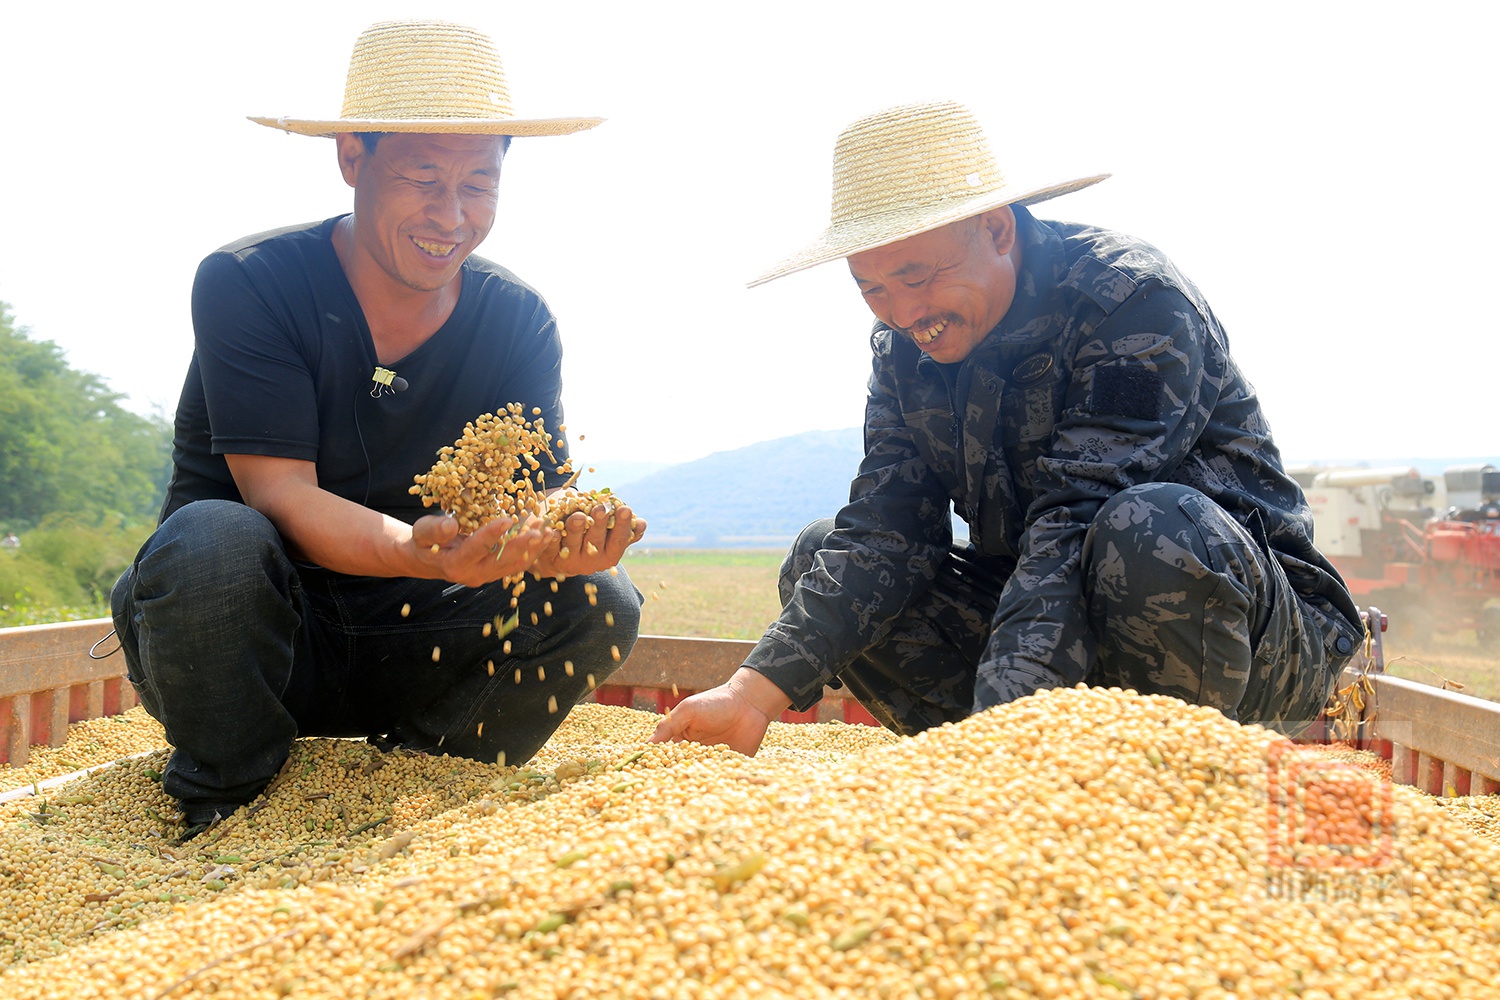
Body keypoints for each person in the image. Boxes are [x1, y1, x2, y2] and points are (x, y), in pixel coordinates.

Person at [654, 100, 1363, 755]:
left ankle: (1118, 785)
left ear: (996, 228)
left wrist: (1004, 743)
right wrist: (751, 694)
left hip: (1245, 632)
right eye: (872, 289)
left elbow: (1075, 523)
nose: (904, 313)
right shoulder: (906, 349)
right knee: (823, 556)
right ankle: (1004, 772)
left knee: (1150, 527)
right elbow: (886, 531)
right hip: (1042, 620)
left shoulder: (1130, 303)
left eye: (918, 275)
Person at [110, 20, 645, 831]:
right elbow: (281, 494)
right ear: (352, 160)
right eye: (423, 177)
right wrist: (413, 550)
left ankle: (418, 784)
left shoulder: (517, 320)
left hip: (415, 640)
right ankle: (227, 791)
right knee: (212, 538)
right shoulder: (252, 283)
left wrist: (564, 531)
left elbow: (541, 493)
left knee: (601, 599)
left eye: (479, 185)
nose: (452, 215)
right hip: (249, 641)